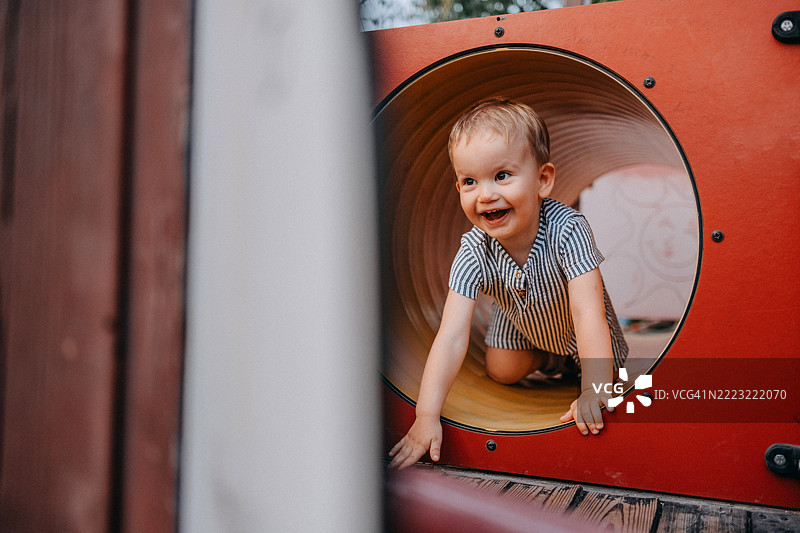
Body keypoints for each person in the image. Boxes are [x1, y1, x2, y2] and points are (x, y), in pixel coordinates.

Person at [388, 97, 628, 469]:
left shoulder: (569, 230)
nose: (485, 194)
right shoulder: (473, 248)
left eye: (501, 175)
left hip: (581, 328)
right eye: (470, 181)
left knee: (605, 378)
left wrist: (593, 391)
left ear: (542, 180)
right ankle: (550, 359)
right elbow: (451, 335)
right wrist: (426, 416)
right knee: (500, 370)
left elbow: (587, 313)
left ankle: (577, 364)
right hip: (525, 325)